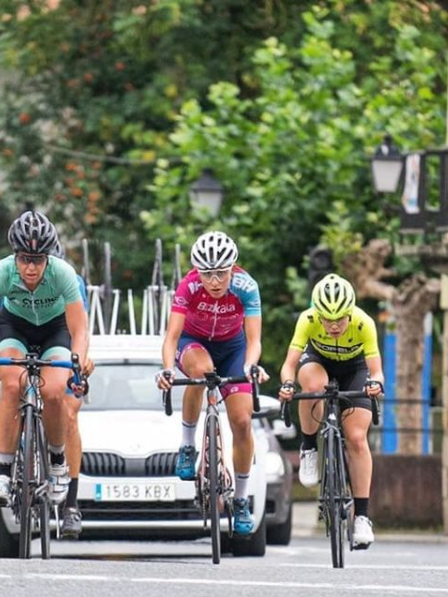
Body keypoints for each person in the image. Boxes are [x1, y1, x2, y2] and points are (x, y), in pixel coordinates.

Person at [0, 210, 89, 509]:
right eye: (24, 259)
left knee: (53, 391)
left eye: (38, 260)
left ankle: (57, 460)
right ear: (15, 256)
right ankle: (3, 473)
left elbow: (79, 330)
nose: (31, 267)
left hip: (55, 330)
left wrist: (77, 368)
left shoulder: (63, 274)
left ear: (49, 257)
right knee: (10, 385)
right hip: (16, 328)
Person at [156, 231, 269, 535]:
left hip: (233, 348)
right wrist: (168, 369)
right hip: (194, 342)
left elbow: (255, 340)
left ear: (234, 267)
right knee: (202, 372)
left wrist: (250, 364)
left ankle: (242, 499)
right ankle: (188, 445)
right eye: (208, 274)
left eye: (221, 272)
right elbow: (172, 337)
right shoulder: (189, 286)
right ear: (198, 272)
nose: (215, 281)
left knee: (243, 421)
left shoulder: (246, 287)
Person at [278, 273, 384, 549]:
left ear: (350, 313)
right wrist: (288, 384)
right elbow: (289, 365)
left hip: (355, 368)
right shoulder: (308, 320)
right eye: (327, 318)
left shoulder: (364, 323)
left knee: (357, 438)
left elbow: (377, 372)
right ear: (318, 313)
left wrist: (375, 385)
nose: (334, 325)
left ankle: (361, 516)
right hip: (318, 361)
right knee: (313, 386)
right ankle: (310, 447)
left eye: (340, 319)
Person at [52, 241, 91, 538]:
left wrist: (82, 361)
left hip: (62, 340)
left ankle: (72, 504)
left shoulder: (72, 282)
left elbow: (81, 330)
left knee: (69, 412)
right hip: (26, 336)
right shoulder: (14, 278)